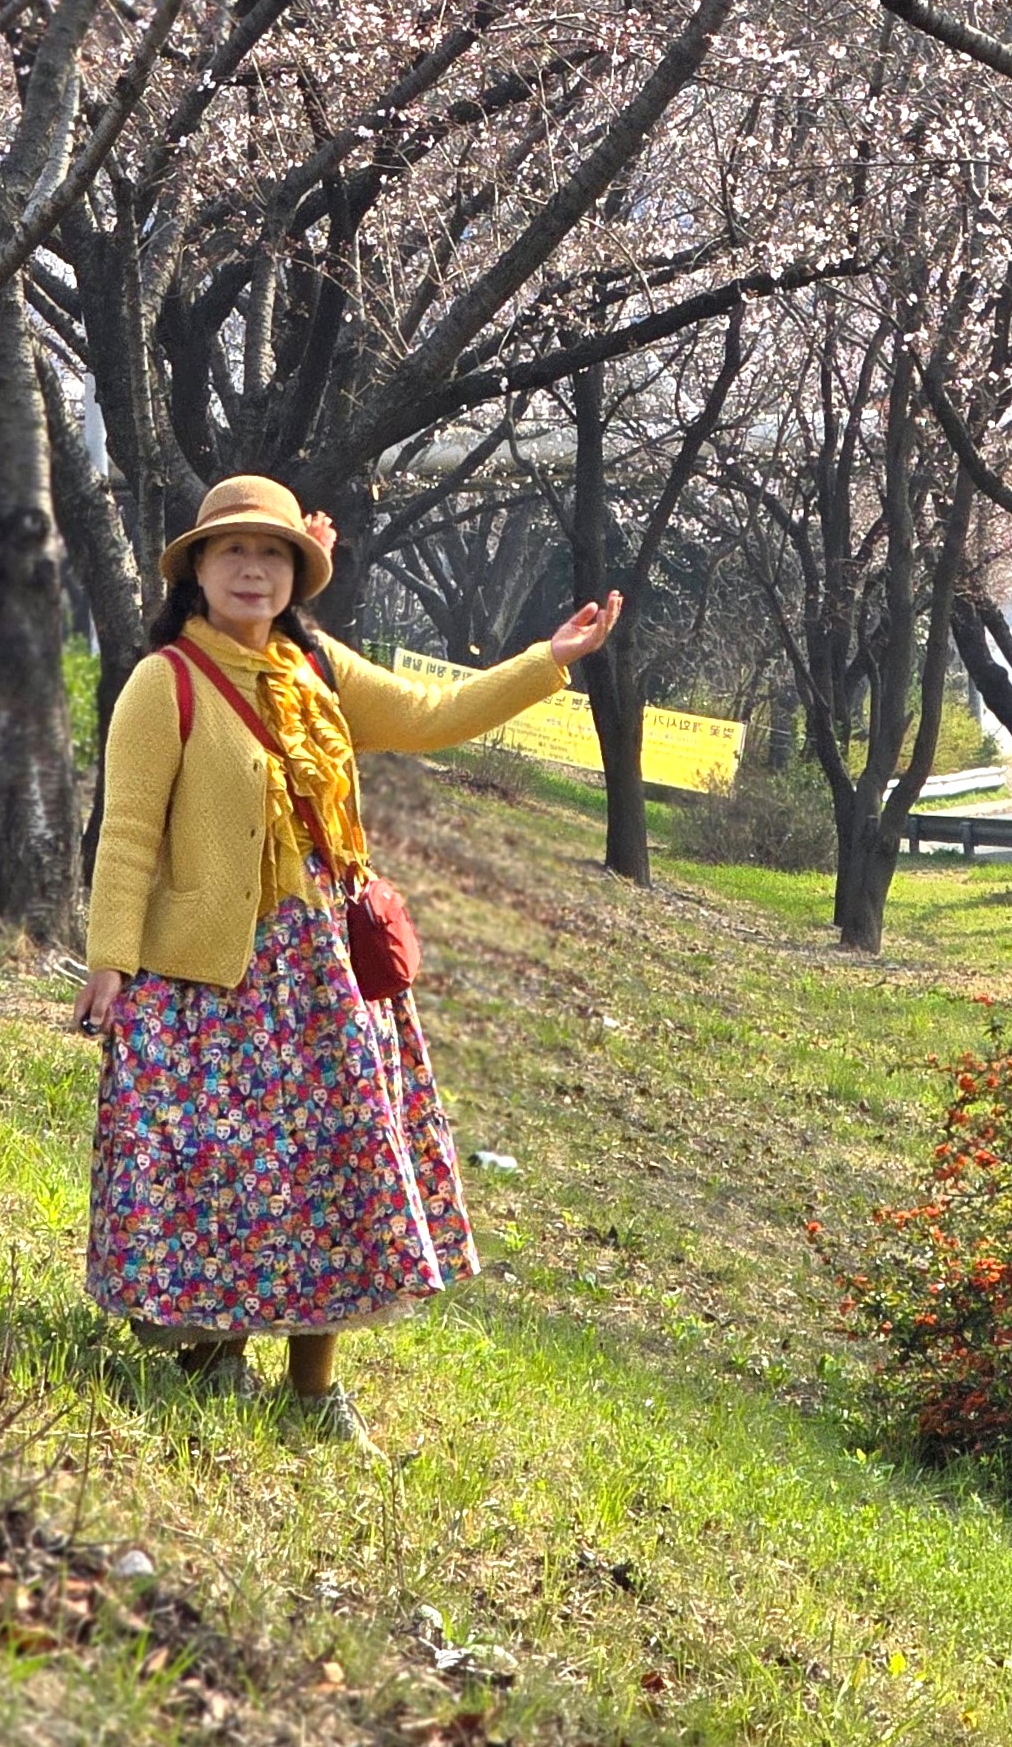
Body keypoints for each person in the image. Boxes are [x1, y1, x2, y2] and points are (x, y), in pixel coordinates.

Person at [73, 471, 620, 1442]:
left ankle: (315, 1395)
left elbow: (432, 714)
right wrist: (109, 962)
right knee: (224, 1168)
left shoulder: (317, 669)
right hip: (210, 977)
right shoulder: (166, 682)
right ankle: (212, 1362)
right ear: (196, 569)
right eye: (233, 551)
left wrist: (548, 660)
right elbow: (126, 834)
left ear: (297, 574)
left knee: (338, 1162)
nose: (252, 569)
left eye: (272, 554)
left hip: (326, 970)